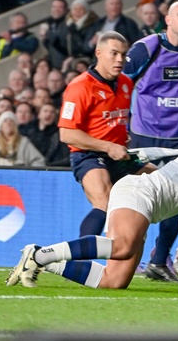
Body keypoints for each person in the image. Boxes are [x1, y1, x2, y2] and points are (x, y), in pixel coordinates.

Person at [5, 134, 178, 289]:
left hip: (149, 209)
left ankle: (42, 259)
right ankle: (40, 255)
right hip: (140, 190)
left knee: (113, 281)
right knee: (123, 246)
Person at [122, 0, 178, 282]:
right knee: (137, 198)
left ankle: (159, 259)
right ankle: (127, 255)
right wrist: (121, 124)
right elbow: (122, 83)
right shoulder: (146, 48)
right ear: (167, 19)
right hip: (143, 134)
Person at [58, 31, 155, 239]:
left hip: (120, 154)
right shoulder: (79, 87)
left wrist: (121, 137)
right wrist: (108, 146)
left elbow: (116, 118)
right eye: (114, 53)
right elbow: (66, 134)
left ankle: (157, 250)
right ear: (99, 53)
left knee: (161, 182)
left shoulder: (126, 83)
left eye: (123, 54)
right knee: (105, 202)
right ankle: (81, 254)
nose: (120, 59)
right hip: (89, 155)